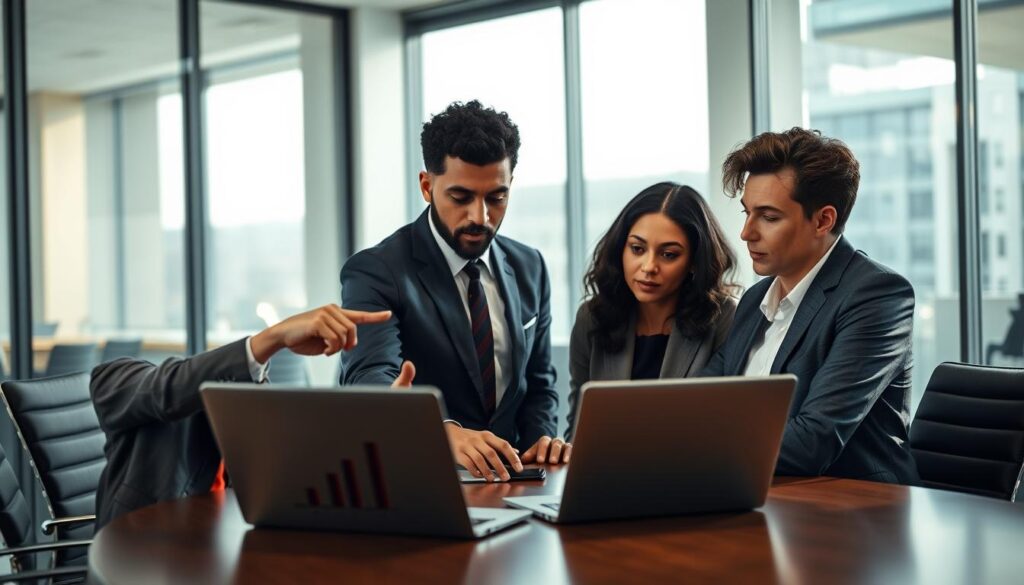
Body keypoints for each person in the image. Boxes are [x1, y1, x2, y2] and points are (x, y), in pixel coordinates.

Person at [340, 100, 562, 481]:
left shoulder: (531, 267)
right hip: (419, 483)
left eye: (497, 197)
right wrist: (442, 431)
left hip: (518, 487)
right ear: (427, 186)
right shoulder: (376, 271)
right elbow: (370, 377)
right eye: (461, 198)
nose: (481, 217)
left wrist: (542, 443)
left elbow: (539, 384)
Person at [701, 127, 918, 484]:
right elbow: (701, 402)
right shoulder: (756, 298)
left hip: (857, 511)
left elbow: (812, 442)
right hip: (761, 494)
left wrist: (697, 446)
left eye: (769, 217)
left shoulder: (877, 296)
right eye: (747, 213)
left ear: (823, 220)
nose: (746, 233)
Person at [91, 304, 414, 528]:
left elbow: (303, 466)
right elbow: (168, 390)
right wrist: (271, 339)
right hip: (143, 558)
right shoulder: (113, 380)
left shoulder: (250, 414)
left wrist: (380, 424)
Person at [567, 182, 738, 441]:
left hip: (693, 473)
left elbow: (728, 425)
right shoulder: (592, 318)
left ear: (694, 262)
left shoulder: (723, 317)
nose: (648, 266)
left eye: (668, 254)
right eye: (637, 249)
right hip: (608, 475)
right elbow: (578, 429)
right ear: (620, 249)